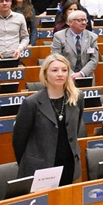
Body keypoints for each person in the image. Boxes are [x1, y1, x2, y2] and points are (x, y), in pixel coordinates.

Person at [12, 54, 85, 185]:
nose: (60, 74)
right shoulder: (31, 103)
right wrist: (31, 162)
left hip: (69, 164)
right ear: (45, 74)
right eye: (55, 70)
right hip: (40, 168)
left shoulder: (76, 97)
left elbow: (75, 128)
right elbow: (19, 141)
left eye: (64, 70)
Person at [50, 10, 99, 78]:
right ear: (70, 22)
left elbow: (94, 59)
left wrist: (82, 73)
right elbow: (57, 58)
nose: (84, 23)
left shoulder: (92, 37)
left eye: (85, 20)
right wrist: (72, 75)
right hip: (65, 76)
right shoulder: (59, 36)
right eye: (80, 20)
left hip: (86, 76)